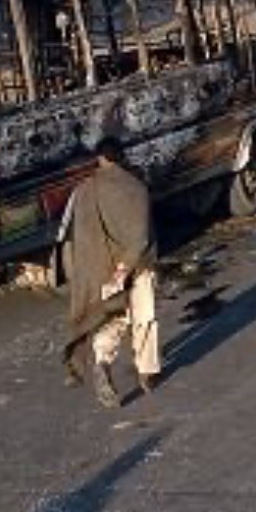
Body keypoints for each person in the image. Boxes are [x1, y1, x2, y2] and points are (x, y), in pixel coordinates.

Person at [59, 137, 159, 409]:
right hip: (136, 266)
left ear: (100, 159)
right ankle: (146, 371)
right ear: (122, 157)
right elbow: (140, 236)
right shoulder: (135, 188)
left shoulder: (84, 191)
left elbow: (70, 235)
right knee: (143, 318)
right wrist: (124, 267)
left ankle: (102, 362)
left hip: (101, 270)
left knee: (111, 320)